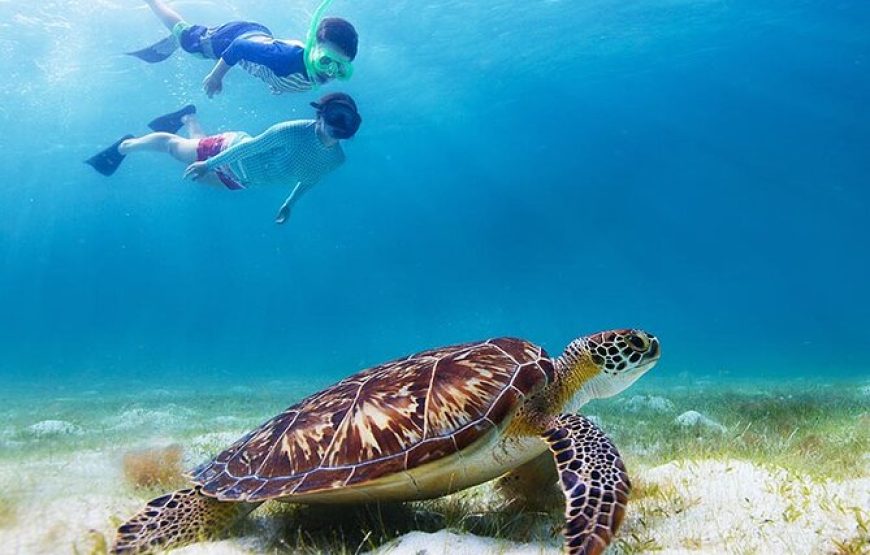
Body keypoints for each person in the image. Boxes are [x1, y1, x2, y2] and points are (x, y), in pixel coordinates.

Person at [85, 93, 362, 224]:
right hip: (227, 151)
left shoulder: (336, 160)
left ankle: (187, 117)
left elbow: (309, 179)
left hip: (242, 181)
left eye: (346, 121)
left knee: (197, 176)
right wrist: (209, 163)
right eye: (336, 116)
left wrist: (289, 204)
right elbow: (250, 148)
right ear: (320, 115)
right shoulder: (292, 131)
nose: (339, 125)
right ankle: (125, 146)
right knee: (174, 148)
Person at [129, 0, 358, 99]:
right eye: (327, 62)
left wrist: (277, 85)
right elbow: (238, 48)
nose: (332, 72)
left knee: (201, 38)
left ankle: (197, 34)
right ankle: (161, 11)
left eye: (342, 69)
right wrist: (215, 77)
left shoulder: (313, 70)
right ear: (313, 48)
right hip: (236, 39)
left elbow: (294, 77)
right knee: (192, 45)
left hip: (257, 35)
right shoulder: (287, 59)